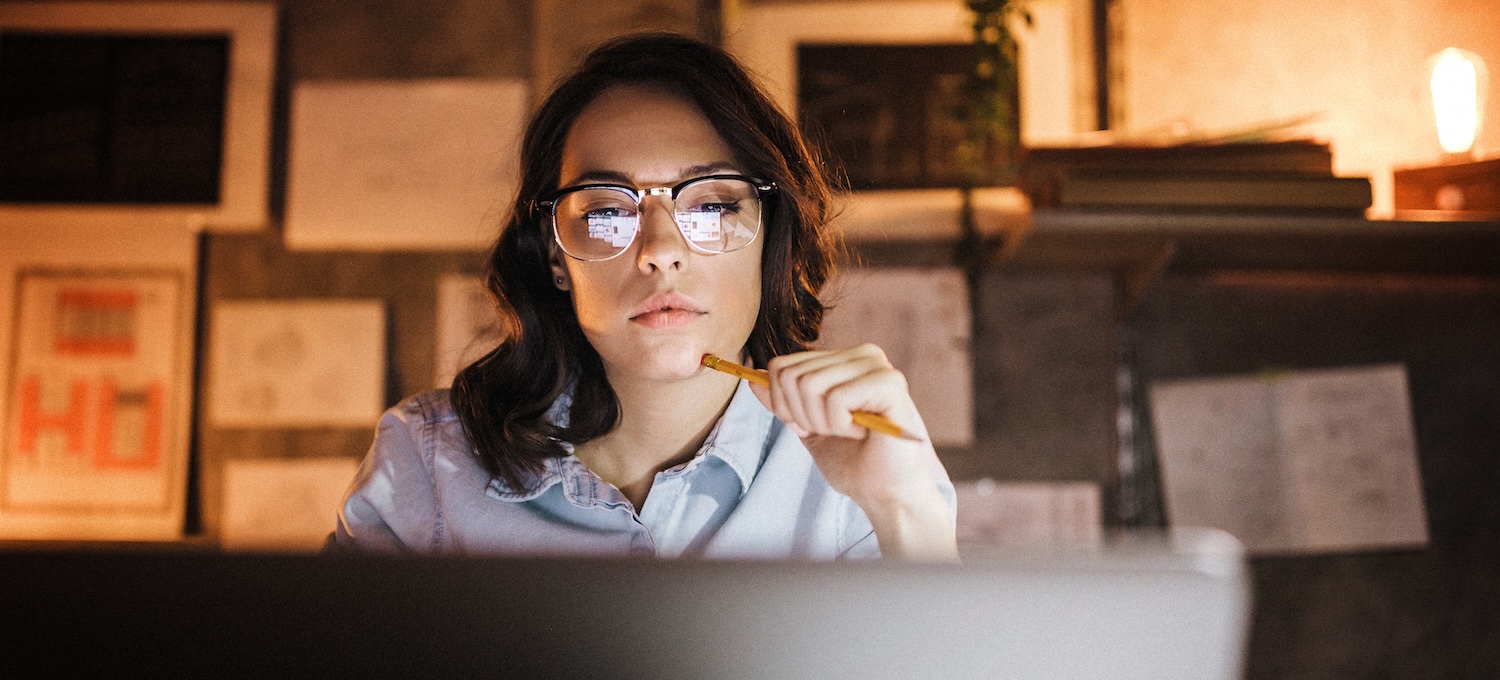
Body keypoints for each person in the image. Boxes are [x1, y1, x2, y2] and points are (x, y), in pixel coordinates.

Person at [333, 33, 957, 561]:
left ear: (770, 237)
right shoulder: (424, 466)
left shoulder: (864, 472)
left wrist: (904, 513)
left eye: (712, 204)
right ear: (555, 256)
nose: (660, 249)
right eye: (606, 211)